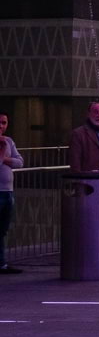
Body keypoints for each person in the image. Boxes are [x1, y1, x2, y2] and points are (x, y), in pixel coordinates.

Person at [0, 114, 23, 273]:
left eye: (4, 123)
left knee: (3, 229)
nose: (1, 126)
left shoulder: (8, 141)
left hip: (8, 191)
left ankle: (1, 263)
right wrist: (3, 155)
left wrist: (5, 158)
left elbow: (20, 162)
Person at [67, 102, 99, 172]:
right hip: (89, 179)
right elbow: (75, 161)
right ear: (88, 114)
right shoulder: (78, 133)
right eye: (95, 112)